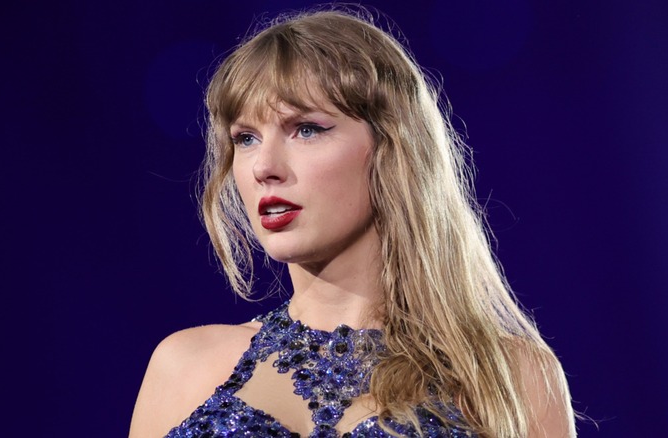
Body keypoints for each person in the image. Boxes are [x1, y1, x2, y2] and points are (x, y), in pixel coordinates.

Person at [130, 8, 577, 437]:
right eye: (246, 138)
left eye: (305, 129)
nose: (263, 166)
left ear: (392, 148)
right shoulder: (184, 367)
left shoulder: (511, 378)